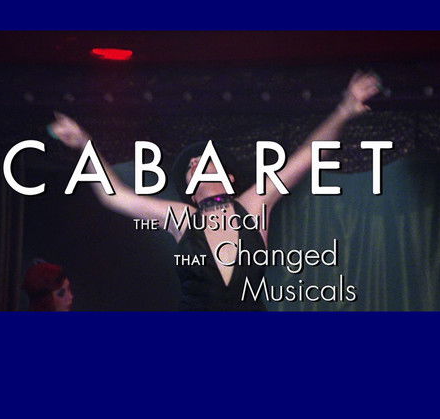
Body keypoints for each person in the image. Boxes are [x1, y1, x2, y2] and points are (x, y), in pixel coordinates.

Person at [49, 71, 380, 310]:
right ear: (191, 192)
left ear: (230, 178)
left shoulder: (255, 203)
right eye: (191, 166)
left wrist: (344, 110)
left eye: (206, 160)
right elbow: (115, 196)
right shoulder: (182, 217)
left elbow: (309, 155)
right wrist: (84, 144)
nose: (198, 163)